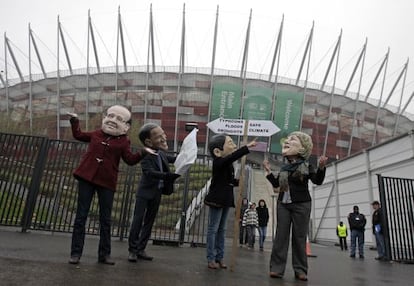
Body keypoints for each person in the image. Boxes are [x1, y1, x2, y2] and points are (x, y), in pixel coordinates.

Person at [67, 105, 147, 265]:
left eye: (119, 119)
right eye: (110, 116)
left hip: (106, 182)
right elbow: (78, 135)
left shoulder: (124, 141)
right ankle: (76, 253)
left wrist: (143, 153)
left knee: (105, 219)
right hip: (86, 178)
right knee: (81, 217)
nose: (112, 120)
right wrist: (75, 120)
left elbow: (130, 160)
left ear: (126, 126)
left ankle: (104, 255)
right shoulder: (96, 134)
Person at [263, 131, 328, 281]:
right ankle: (276, 269)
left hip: (301, 205)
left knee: (299, 237)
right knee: (281, 237)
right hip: (284, 204)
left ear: (302, 148)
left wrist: (321, 167)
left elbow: (317, 180)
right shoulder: (284, 168)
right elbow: (277, 184)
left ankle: (300, 270)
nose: (287, 141)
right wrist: (268, 172)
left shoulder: (307, 166)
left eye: (293, 140)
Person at [128, 123, 180, 262]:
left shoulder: (161, 153)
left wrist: (187, 155)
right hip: (144, 193)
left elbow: (175, 159)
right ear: (148, 142)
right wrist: (167, 176)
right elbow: (149, 173)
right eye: (158, 136)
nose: (164, 137)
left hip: (156, 192)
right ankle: (132, 250)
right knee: (138, 221)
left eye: (163, 134)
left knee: (149, 222)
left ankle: (141, 249)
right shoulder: (146, 154)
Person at [204, 134, 256, 269]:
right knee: (213, 229)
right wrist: (246, 147)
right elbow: (231, 157)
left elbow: (228, 180)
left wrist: (238, 181)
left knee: (222, 229)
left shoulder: (228, 164)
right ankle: (211, 258)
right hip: (216, 199)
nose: (233, 146)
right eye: (230, 143)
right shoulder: (219, 162)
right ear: (217, 151)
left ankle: (219, 257)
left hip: (226, 199)